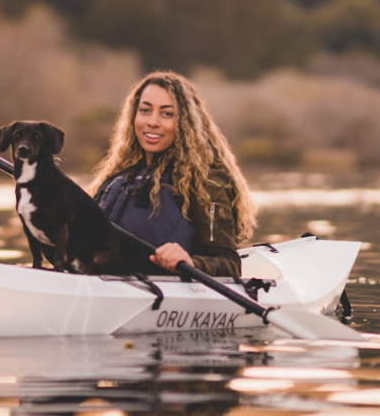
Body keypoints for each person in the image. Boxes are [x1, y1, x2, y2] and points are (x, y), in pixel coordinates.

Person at [88, 70, 257, 278]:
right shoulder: (118, 179)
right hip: (105, 285)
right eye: (145, 110)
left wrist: (190, 262)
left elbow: (228, 264)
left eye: (167, 113)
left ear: (185, 123)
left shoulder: (208, 182)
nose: (152, 121)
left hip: (168, 297)